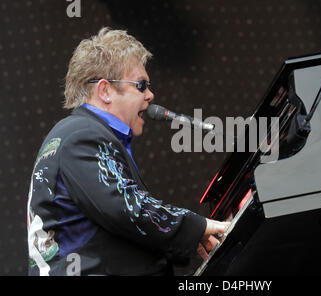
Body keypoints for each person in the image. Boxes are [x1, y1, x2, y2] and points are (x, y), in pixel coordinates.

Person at [26, 27, 229, 276]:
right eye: (141, 85)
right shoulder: (82, 136)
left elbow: (118, 231)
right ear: (105, 91)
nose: (151, 95)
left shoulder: (79, 133)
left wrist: (184, 241)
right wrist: (195, 227)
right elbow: (126, 209)